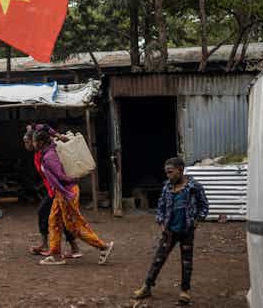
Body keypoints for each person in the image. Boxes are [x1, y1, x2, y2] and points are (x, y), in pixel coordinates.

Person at [32, 127, 114, 265]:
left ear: (40, 142)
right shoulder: (51, 149)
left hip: (66, 192)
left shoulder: (48, 157)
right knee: (54, 221)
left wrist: (68, 189)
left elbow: (60, 176)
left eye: (34, 141)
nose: (33, 144)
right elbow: (44, 127)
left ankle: (103, 247)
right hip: (62, 192)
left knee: (74, 226)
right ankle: (55, 254)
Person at [132, 157, 209, 304]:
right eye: (166, 173)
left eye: (170, 172)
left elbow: (204, 205)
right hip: (169, 232)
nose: (168, 175)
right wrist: (161, 222)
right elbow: (160, 206)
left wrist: (197, 220)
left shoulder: (194, 187)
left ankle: (185, 290)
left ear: (180, 170)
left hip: (187, 231)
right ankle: (147, 286)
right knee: (158, 259)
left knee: (186, 262)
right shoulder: (167, 187)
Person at [23, 126, 81, 258]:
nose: (27, 145)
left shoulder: (46, 155)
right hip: (53, 190)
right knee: (52, 215)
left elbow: (58, 175)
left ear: (37, 141)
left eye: (28, 142)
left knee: (53, 215)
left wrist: (58, 135)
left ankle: (68, 248)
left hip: (58, 190)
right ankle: (67, 247)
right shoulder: (38, 154)